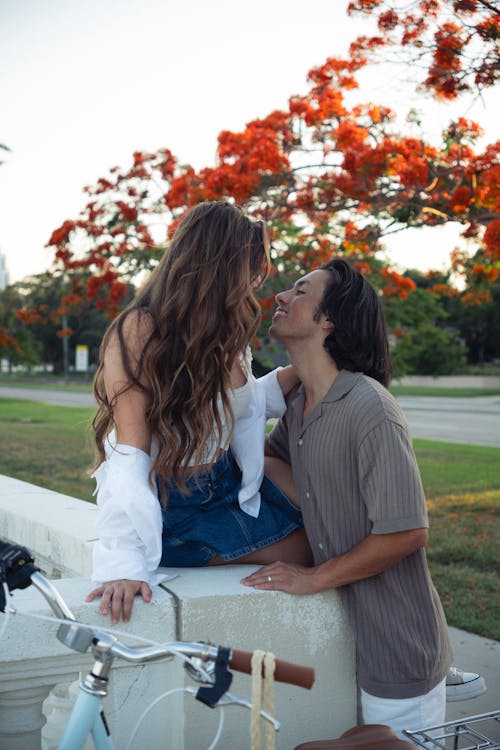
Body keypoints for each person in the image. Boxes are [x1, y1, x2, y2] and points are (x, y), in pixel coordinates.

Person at [241, 259, 453, 738]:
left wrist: (314, 577)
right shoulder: (298, 407)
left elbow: (406, 532)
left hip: (397, 651)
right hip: (342, 647)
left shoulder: (369, 406)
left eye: (299, 291)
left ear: (328, 320)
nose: (279, 297)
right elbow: (263, 466)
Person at [86, 201, 312, 624]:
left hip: (223, 480)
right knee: (318, 550)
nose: (258, 278)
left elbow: (237, 407)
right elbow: (130, 453)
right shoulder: (138, 331)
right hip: (176, 505)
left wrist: (311, 364)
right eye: (252, 265)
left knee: (342, 517)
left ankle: (409, 644)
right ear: (221, 264)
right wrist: (121, 564)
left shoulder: (224, 331)